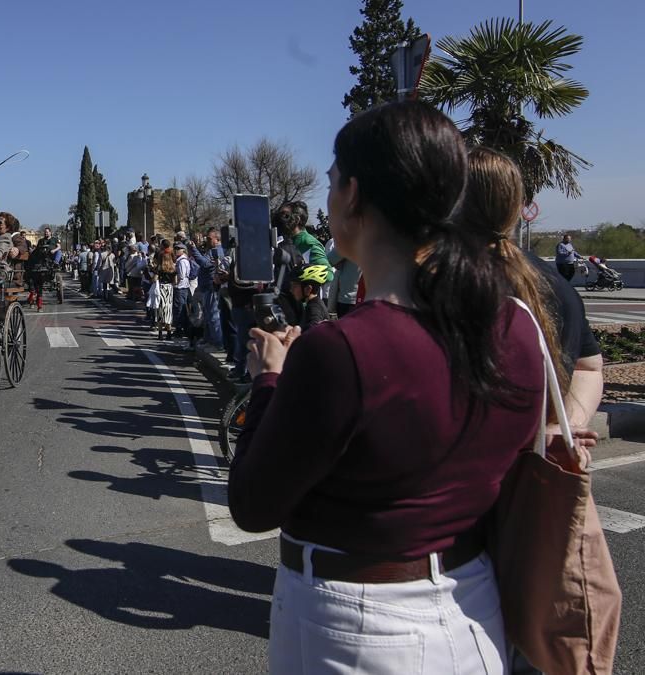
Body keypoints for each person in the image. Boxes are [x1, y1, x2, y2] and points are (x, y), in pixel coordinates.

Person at [228, 100, 597, 674]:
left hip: (355, 628)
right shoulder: (519, 325)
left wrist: (270, 379)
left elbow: (252, 504)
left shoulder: (341, 351)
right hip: (477, 609)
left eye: (331, 182)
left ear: (353, 195)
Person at [464, 146, 604, 434]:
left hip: (466, 469)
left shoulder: (441, 281)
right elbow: (588, 367)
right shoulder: (556, 284)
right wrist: (566, 427)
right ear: (516, 206)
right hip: (535, 465)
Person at [275, 201, 334, 284]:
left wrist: (301, 273)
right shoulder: (282, 240)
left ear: (297, 220)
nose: (280, 219)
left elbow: (328, 274)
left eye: (285, 216)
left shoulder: (308, 243)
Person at [288, 264, 330, 330]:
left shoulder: (314, 308)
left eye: (294, 285)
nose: (291, 290)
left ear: (308, 289)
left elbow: (313, 332)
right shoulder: (313, 303)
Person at [151, 242, 176, 338]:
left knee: (160, 310)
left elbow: (154, 279)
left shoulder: (160, 268)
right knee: (168, 310)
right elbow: (175, 282)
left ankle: (160, 333)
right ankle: (169, 333)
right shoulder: (173, 269)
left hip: (161, 288)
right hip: (169, 288)